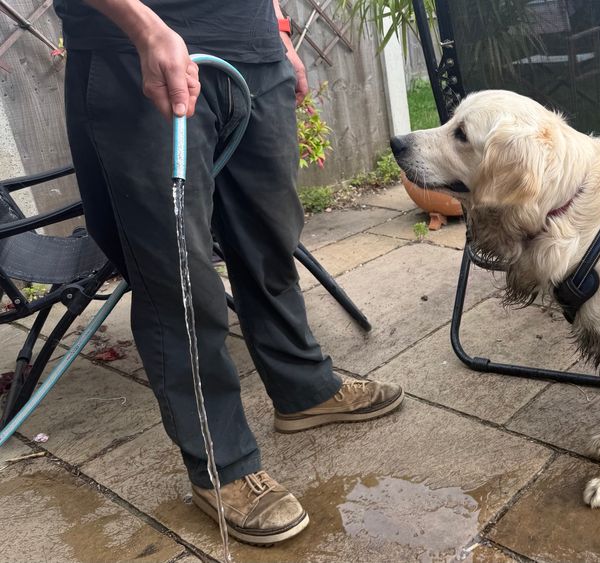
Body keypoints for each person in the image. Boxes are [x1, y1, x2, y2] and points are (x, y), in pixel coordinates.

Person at [55, 0, 404, 545]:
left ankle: (303, 388)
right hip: (140, 53)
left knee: (271, 241)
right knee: (177, 276)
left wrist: (278, 31)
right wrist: (142, 26)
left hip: (254, 51)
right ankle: (224, 462)